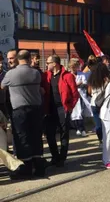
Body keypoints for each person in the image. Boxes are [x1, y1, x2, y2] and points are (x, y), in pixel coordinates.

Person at [1, 50, 45, 179]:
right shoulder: (36, 73)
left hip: (20, 111)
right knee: (36, 136)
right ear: (29, 58)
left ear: (17, 59)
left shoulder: (11, 74)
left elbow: (2, 86)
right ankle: (39, 167)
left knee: (22, 138)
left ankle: (25, 169)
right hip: (36, 109)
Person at [44, 54, 80, 167]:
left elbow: (75, 94)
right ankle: (55, 156)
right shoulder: (47, 76)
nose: (46, 65)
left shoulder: (67, 76)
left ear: (55, 63)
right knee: (50, 134)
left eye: (48, 62)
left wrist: (69, 108)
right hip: (50, 109)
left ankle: (62, 158)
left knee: (64, 133)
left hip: (62, 108)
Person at [87, 63, 110, 145]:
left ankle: (101, 140)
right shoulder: (107, 80)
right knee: (106, 123)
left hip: (94, 103)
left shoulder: (92, 79)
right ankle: (106, 139)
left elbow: (89, 92)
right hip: (105, 103)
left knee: (98, 124)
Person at [69, 59, 90, 137]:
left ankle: (82, 129)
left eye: (75, 67)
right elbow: (69, 86)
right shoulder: (68, 75)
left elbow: (85, 83)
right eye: (72, 67)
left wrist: (76, 85)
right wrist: (77, 84)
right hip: (72, 96)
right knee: (74, 113)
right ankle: (77, 128)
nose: (73, 69)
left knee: (80, 112)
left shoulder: (81, 74)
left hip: (80, 95)